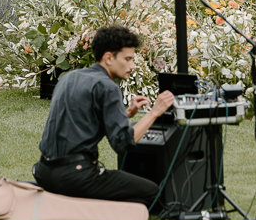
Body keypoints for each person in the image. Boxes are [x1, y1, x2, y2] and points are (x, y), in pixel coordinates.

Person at [32, 24, 175, 210]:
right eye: (128, 59)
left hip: (44, 172)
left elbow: (84, 121)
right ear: (109, 57)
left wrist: (127, 113)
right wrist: (156, 111)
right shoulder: (108, 87)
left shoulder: (70, 77)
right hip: (76, 176)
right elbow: (123, 143)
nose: (132, 66)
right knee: (152, 192)